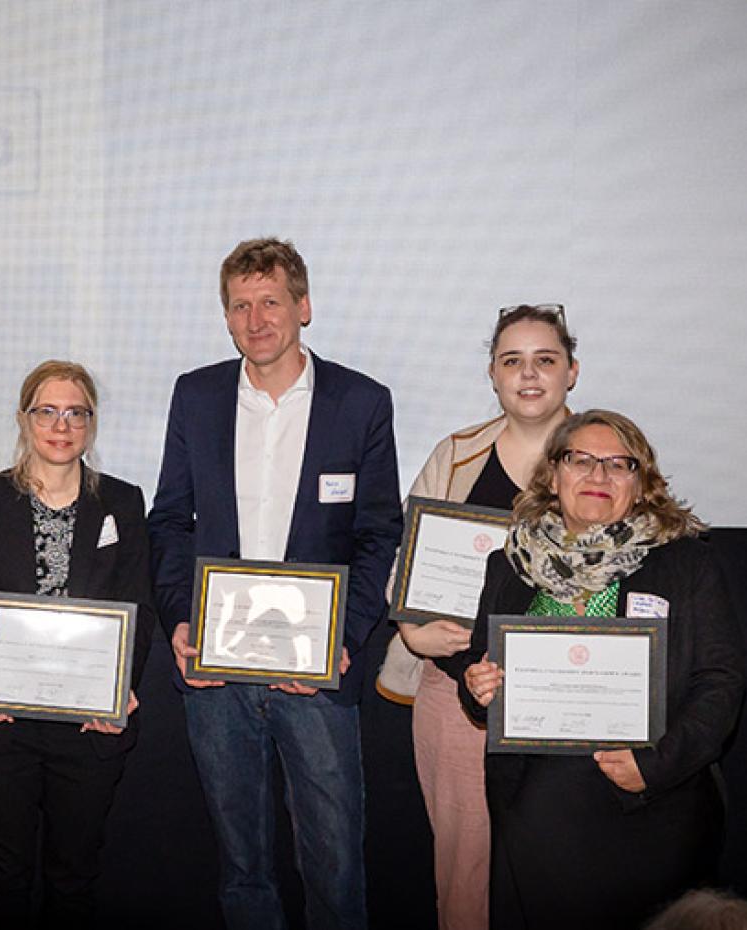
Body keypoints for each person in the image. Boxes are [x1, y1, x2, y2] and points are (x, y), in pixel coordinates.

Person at [147, 238, 402, 930]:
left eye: (270, 301)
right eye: (240, 306)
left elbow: (379, 533)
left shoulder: (361, 402)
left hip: (317, 674)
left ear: (303, 306)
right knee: (242, 867)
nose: (256, 319)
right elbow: (170, 522)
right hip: (216, 673)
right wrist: (178, 620)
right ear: (226, 317)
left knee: (336, 864)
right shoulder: (196, 396)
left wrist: (343, 639)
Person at [449, 410, 744, 929]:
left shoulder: (687, 564)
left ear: (641, 481)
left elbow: (720, 683)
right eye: (580, 460)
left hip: (654, 809)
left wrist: (652, 767)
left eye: (618, 464)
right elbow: (480, 667)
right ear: (554, 475)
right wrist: (478, 686)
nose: (599, 476)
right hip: (536, 816)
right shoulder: (509, 565)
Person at [380, 304, 579, 930]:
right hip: (456, 694)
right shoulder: (459, 455)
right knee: (464, 870)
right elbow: (403, 560)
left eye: (544, 360)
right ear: (492, 374)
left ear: (571, 371)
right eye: (511, 360)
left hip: (573, 697)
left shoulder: (603, 456)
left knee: (564, 861)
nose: (528, 375)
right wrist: (411, 627)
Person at [0, 360, 156, 928]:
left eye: (76, 413)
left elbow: (140, 609)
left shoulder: (123, 502)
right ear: (23, 418)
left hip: (88, 729)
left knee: (74, 876)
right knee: (2, 871)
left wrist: (119, 691)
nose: (61, 425)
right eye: (47, 411)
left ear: (91, 423)